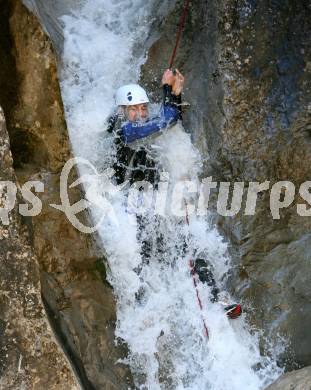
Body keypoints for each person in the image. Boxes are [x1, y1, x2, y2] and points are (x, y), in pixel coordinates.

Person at [107, 70, 242, 320]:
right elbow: (165, 122)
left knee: (187, 243)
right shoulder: (122, 131)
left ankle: (216, 296)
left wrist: (175, 94)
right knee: (144, 255)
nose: (139, 114)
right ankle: (145, 311)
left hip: (155, 198)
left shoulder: (140, 126)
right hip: (130, 205)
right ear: (122, 111)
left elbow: (169, 119)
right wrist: (167, 90)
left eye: (142, 108)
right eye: (132, 109)